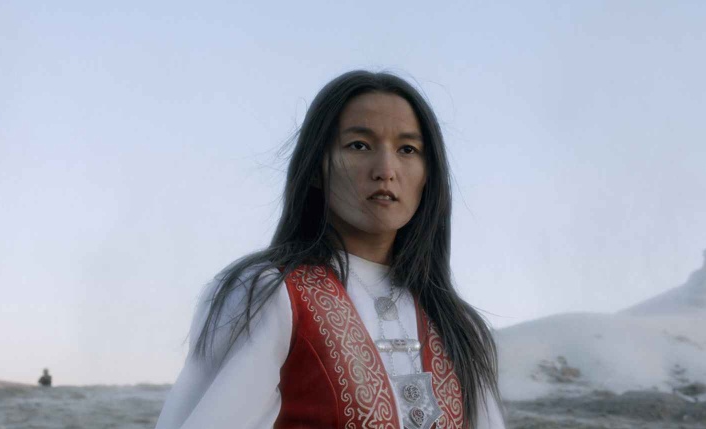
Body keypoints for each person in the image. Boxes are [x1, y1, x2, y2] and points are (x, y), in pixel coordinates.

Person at [155, 71, 505, 429]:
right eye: (359, 145)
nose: (386, 170)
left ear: (428, 174)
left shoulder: (459, 327)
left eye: (407, 150)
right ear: (315, 168)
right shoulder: (269, 294)